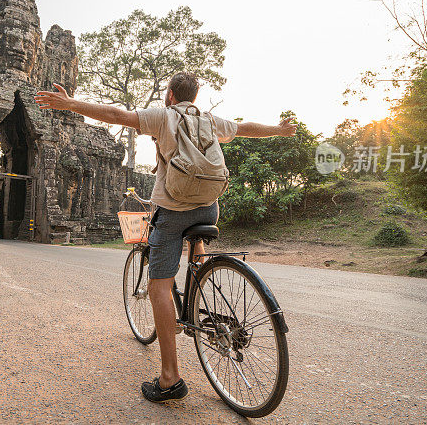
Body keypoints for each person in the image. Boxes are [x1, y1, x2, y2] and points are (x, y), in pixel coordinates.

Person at [35, 72, 297, 403]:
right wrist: (280, 129)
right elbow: (246, 129)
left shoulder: (164, 116)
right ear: (195, 97)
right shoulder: (209, 120)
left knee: (160, 286)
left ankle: (170, 377)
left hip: (173, 211)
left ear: (171, 95)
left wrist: (70, 103)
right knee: (195, 254)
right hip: (209, 210)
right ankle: (199, 283)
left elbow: (118, 115)